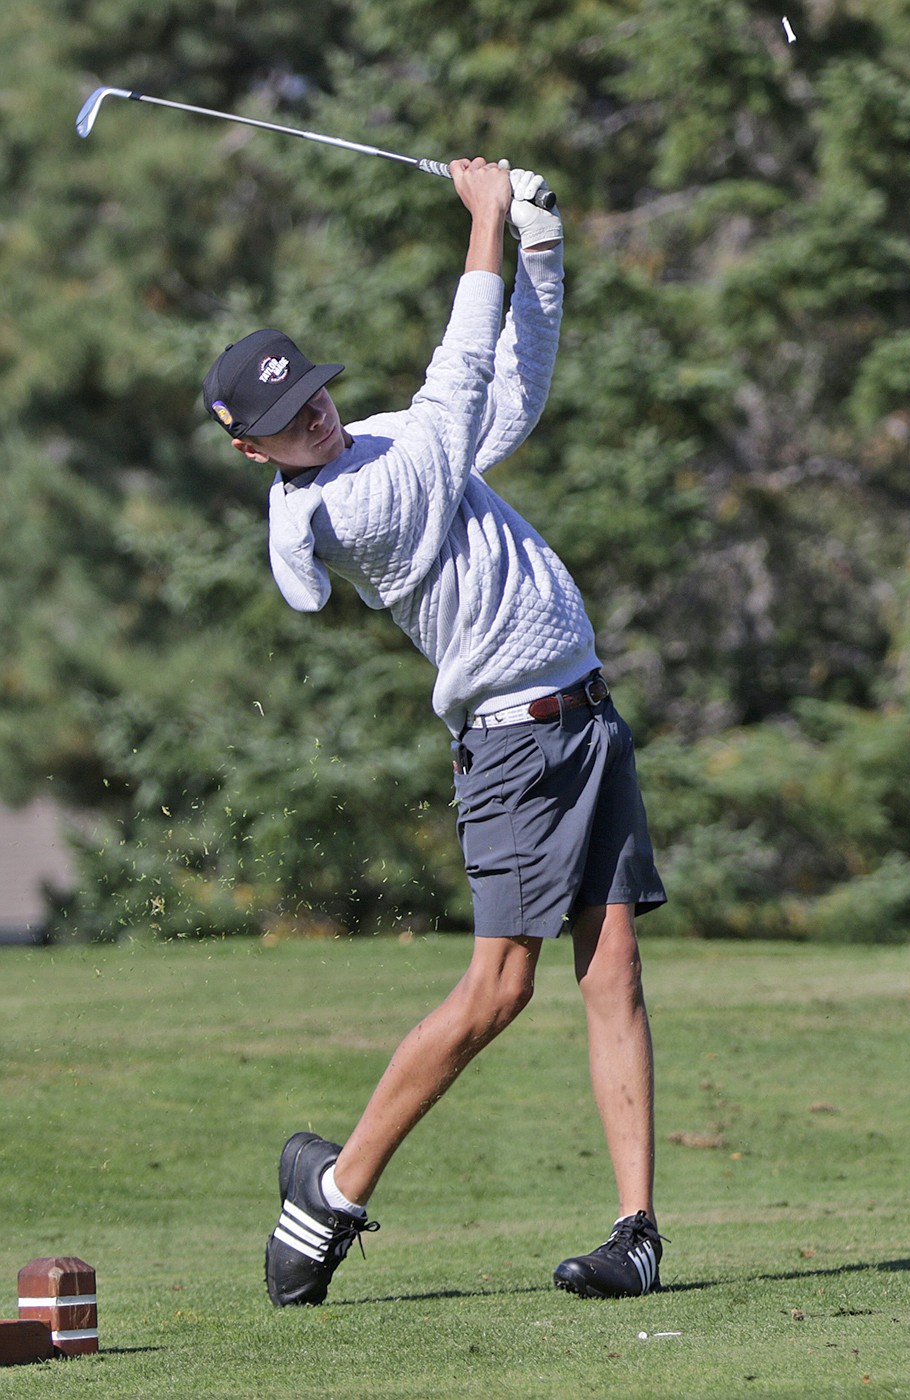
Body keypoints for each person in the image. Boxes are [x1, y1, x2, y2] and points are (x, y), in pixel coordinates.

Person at [201, 159, 667, 1304]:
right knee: (496, 989)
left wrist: (540, 255)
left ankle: (636, 1231)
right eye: (283, 419)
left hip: (585, 718)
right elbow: (459, 387)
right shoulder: (344, 504)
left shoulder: (370, 441)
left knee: (611, 974)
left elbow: (509, 393)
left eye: (308, 391)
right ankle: (332, 1197)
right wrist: (484, 226)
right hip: (515, 746)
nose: (310, 413)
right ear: (251, 449)